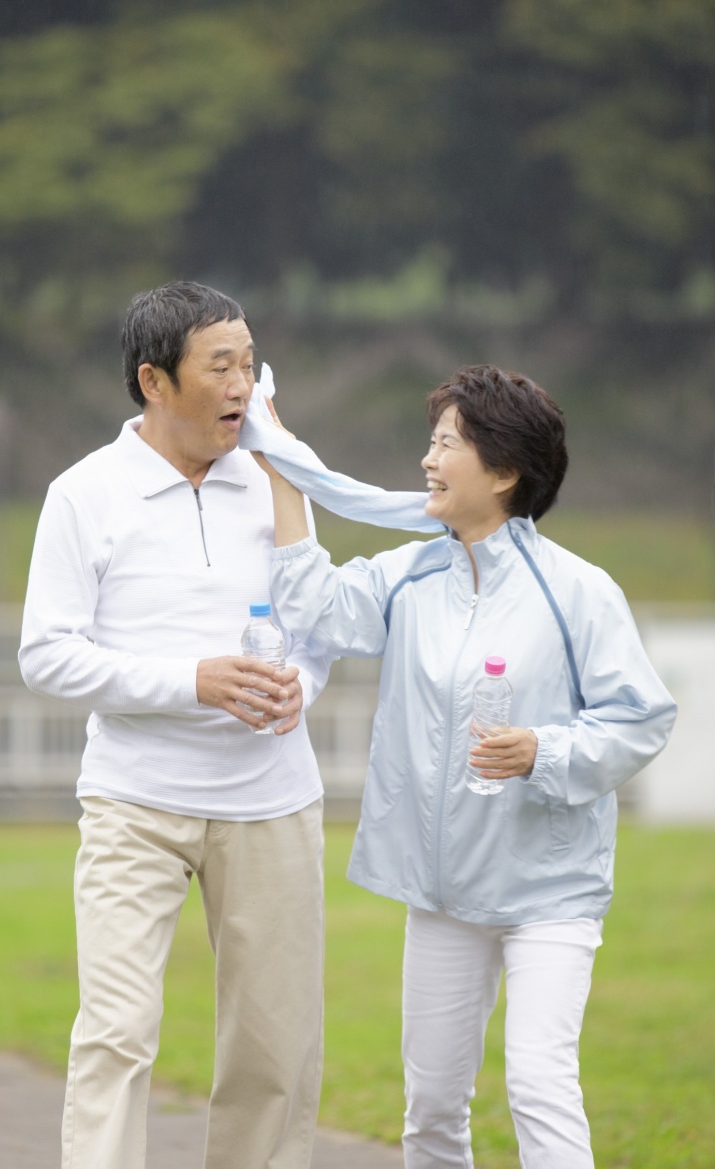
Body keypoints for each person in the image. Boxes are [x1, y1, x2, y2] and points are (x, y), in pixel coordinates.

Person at [253, 364, 676, 1169]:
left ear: (506, 470)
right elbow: (315, 607)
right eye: (432, 439)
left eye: (446, 442)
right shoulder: (410, 575)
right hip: (445, 895)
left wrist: (544, 751)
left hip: (548, 893)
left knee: (539, 1085)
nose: (427, 460)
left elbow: (640, 718)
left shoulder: (579, 592)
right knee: (433, 1110)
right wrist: (280, 467)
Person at [18, 281, 330, 1169]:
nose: (243, 384)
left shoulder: (277, 480)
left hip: (272, 801)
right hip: (134, 803)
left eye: (249, 362)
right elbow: (47, 655)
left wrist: (302, 680)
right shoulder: (84, 493)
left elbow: (318, 622)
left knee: (275, 1045)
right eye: (219, 365)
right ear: (154, 381)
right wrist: (190, 681)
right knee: (115, 1031)